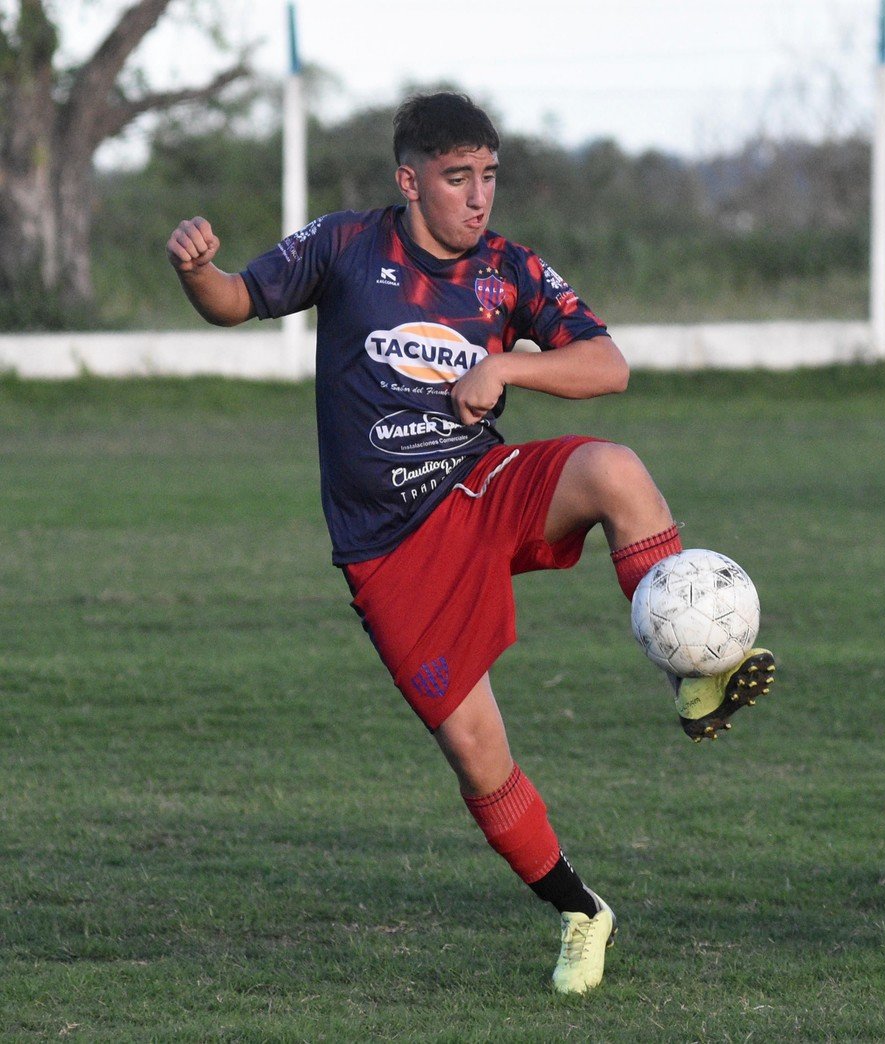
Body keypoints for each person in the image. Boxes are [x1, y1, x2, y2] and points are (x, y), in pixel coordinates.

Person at [165, 91, 776, 996]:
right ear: (410, 181)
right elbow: (235, 300)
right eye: (458, 178)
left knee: (614, 470)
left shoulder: (507, 270)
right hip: (389, 553)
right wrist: (197, 271)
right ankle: (581, 910)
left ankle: (693, 674)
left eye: (488, 176)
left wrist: (508, 364)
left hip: (478, 488)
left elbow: (607, 365)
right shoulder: (346, 244)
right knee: (479, 757)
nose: (478, 196)